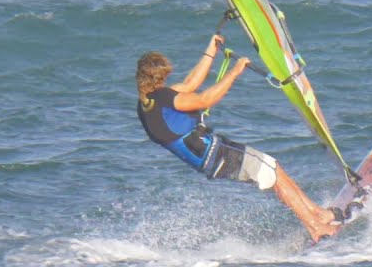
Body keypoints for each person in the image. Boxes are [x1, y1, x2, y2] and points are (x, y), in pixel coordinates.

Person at [135, 34, 342, 242]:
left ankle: (317, 213)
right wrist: (235, 72)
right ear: (160, 77)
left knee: (273, 167)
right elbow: (205, 99)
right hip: (216, 154)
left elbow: (190, 84)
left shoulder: (148, 103)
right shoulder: (164, 98)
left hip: (211, 157)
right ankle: (316, 228)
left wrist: (211, 50)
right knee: (271, 174)